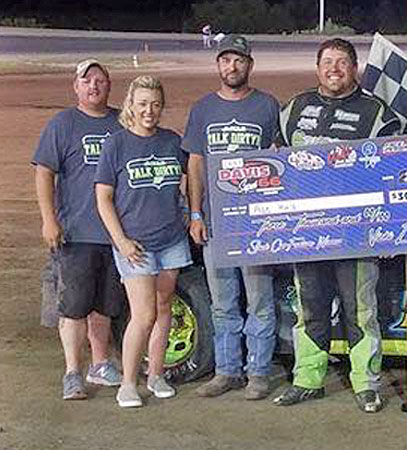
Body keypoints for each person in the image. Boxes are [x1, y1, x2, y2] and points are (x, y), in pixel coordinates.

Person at [272, 38, 401, 413]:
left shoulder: (376, 112)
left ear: (354, 68)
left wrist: (387, 227)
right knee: (309, 308)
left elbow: (392, 171)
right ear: (317, 68)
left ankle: (366, 384)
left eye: (342, 62)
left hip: (356, 234)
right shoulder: (294, 108)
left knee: (359, 310)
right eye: (327, 62)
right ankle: (307, 379)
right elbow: (276, 162)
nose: (334, 69)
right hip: (305, 233)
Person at [182, 34, 281, 400]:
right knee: (223, 302)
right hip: (216, 223)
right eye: (226, 60)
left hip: (256, 224)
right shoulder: (203, 109)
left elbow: (280, 158)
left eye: (239, 60)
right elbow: (195, 164)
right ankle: (227, 371)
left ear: (249, 65)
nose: (232, 66)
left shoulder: (267, 106)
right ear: (218, 65)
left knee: (259, 301)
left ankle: (258, 373)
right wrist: (195, 212)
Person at [95, 75, 191, 408]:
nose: (149, 110)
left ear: (161, 106)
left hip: (171, 240)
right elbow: (103, 198)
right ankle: (128, 383)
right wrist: (120, 240)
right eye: (142, 104)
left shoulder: (171, 142)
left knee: (165, 308)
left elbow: (190, 177)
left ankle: (157, 374)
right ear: (130, 106)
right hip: (135, 244)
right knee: (144, 314)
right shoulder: (117, 144)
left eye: (155, 104)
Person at [32, 59, 125, 400]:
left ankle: (100, 364)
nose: (94, 86)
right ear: (76, 87)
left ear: (109, 86)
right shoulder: (63, 124)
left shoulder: (121, 123)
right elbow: (44, 172)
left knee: (104, 305)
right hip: (75, 231)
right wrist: (49, 218)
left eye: (100, 80)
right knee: (73, 306)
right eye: (87, 81)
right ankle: (72, 371)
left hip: (115, 234)